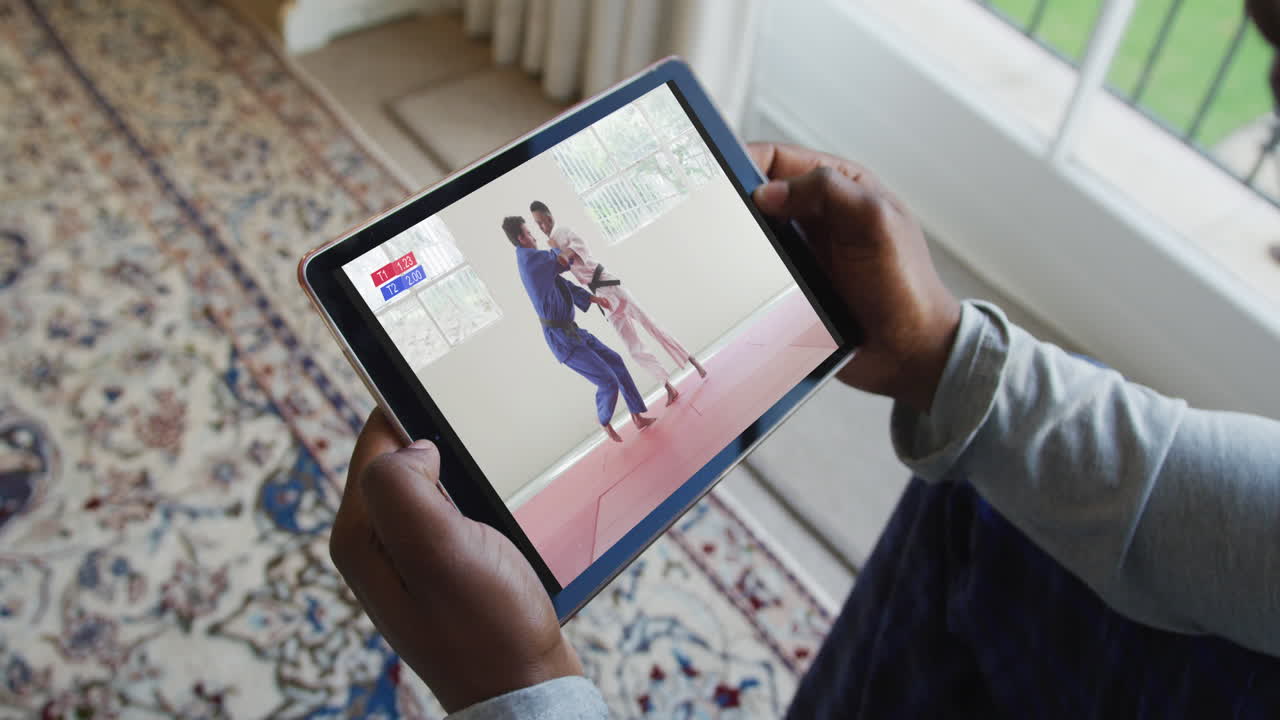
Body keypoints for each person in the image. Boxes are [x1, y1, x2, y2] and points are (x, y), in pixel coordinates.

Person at [332, 142, 1280, 718]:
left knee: (631, 368)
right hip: (578, 326)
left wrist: (522, 689)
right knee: (968, 508)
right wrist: (944, 357)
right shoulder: (539, 266)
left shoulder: (555, 253)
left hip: (594, 313)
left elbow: (581, 280)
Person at [530, 200, 707, 406]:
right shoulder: (553, 245)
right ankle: (668, 386)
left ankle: (693, 361)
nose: (541, 228)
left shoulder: (566, 233)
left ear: (549, 217)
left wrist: (554, 249)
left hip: (609, 284)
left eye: (541, 222)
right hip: (601, 296)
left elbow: (567, 257)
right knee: (632, 346)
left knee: (651, 325)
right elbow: (558, 266)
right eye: (537, 225)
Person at [502, 214, 654, 443]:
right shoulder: (530, 261)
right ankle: (603, 420)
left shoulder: (537, 263)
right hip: (562, 339)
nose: (535, 236)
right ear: (521, 238)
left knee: (616, 362)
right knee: (608, 381)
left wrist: (594, 299)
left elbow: (563, 284)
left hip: (573, 330)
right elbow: (562, 261)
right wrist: (559, 246)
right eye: (530, 232)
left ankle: (637, 416)